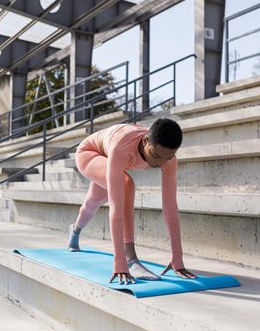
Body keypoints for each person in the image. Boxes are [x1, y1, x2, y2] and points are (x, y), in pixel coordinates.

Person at [67, 118, 196, 284]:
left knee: (93, 201)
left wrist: (177, 259)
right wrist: (119, 262)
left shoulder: (168, 159)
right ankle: (130, 258)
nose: (160, 163)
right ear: (145, 141)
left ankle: (74, 231)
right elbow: (115, 208)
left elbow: (170, 206)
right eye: (156, 156)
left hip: (110, 156)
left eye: (167, 158)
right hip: (90, 153)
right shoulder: (122, 147)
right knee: (126, 184)